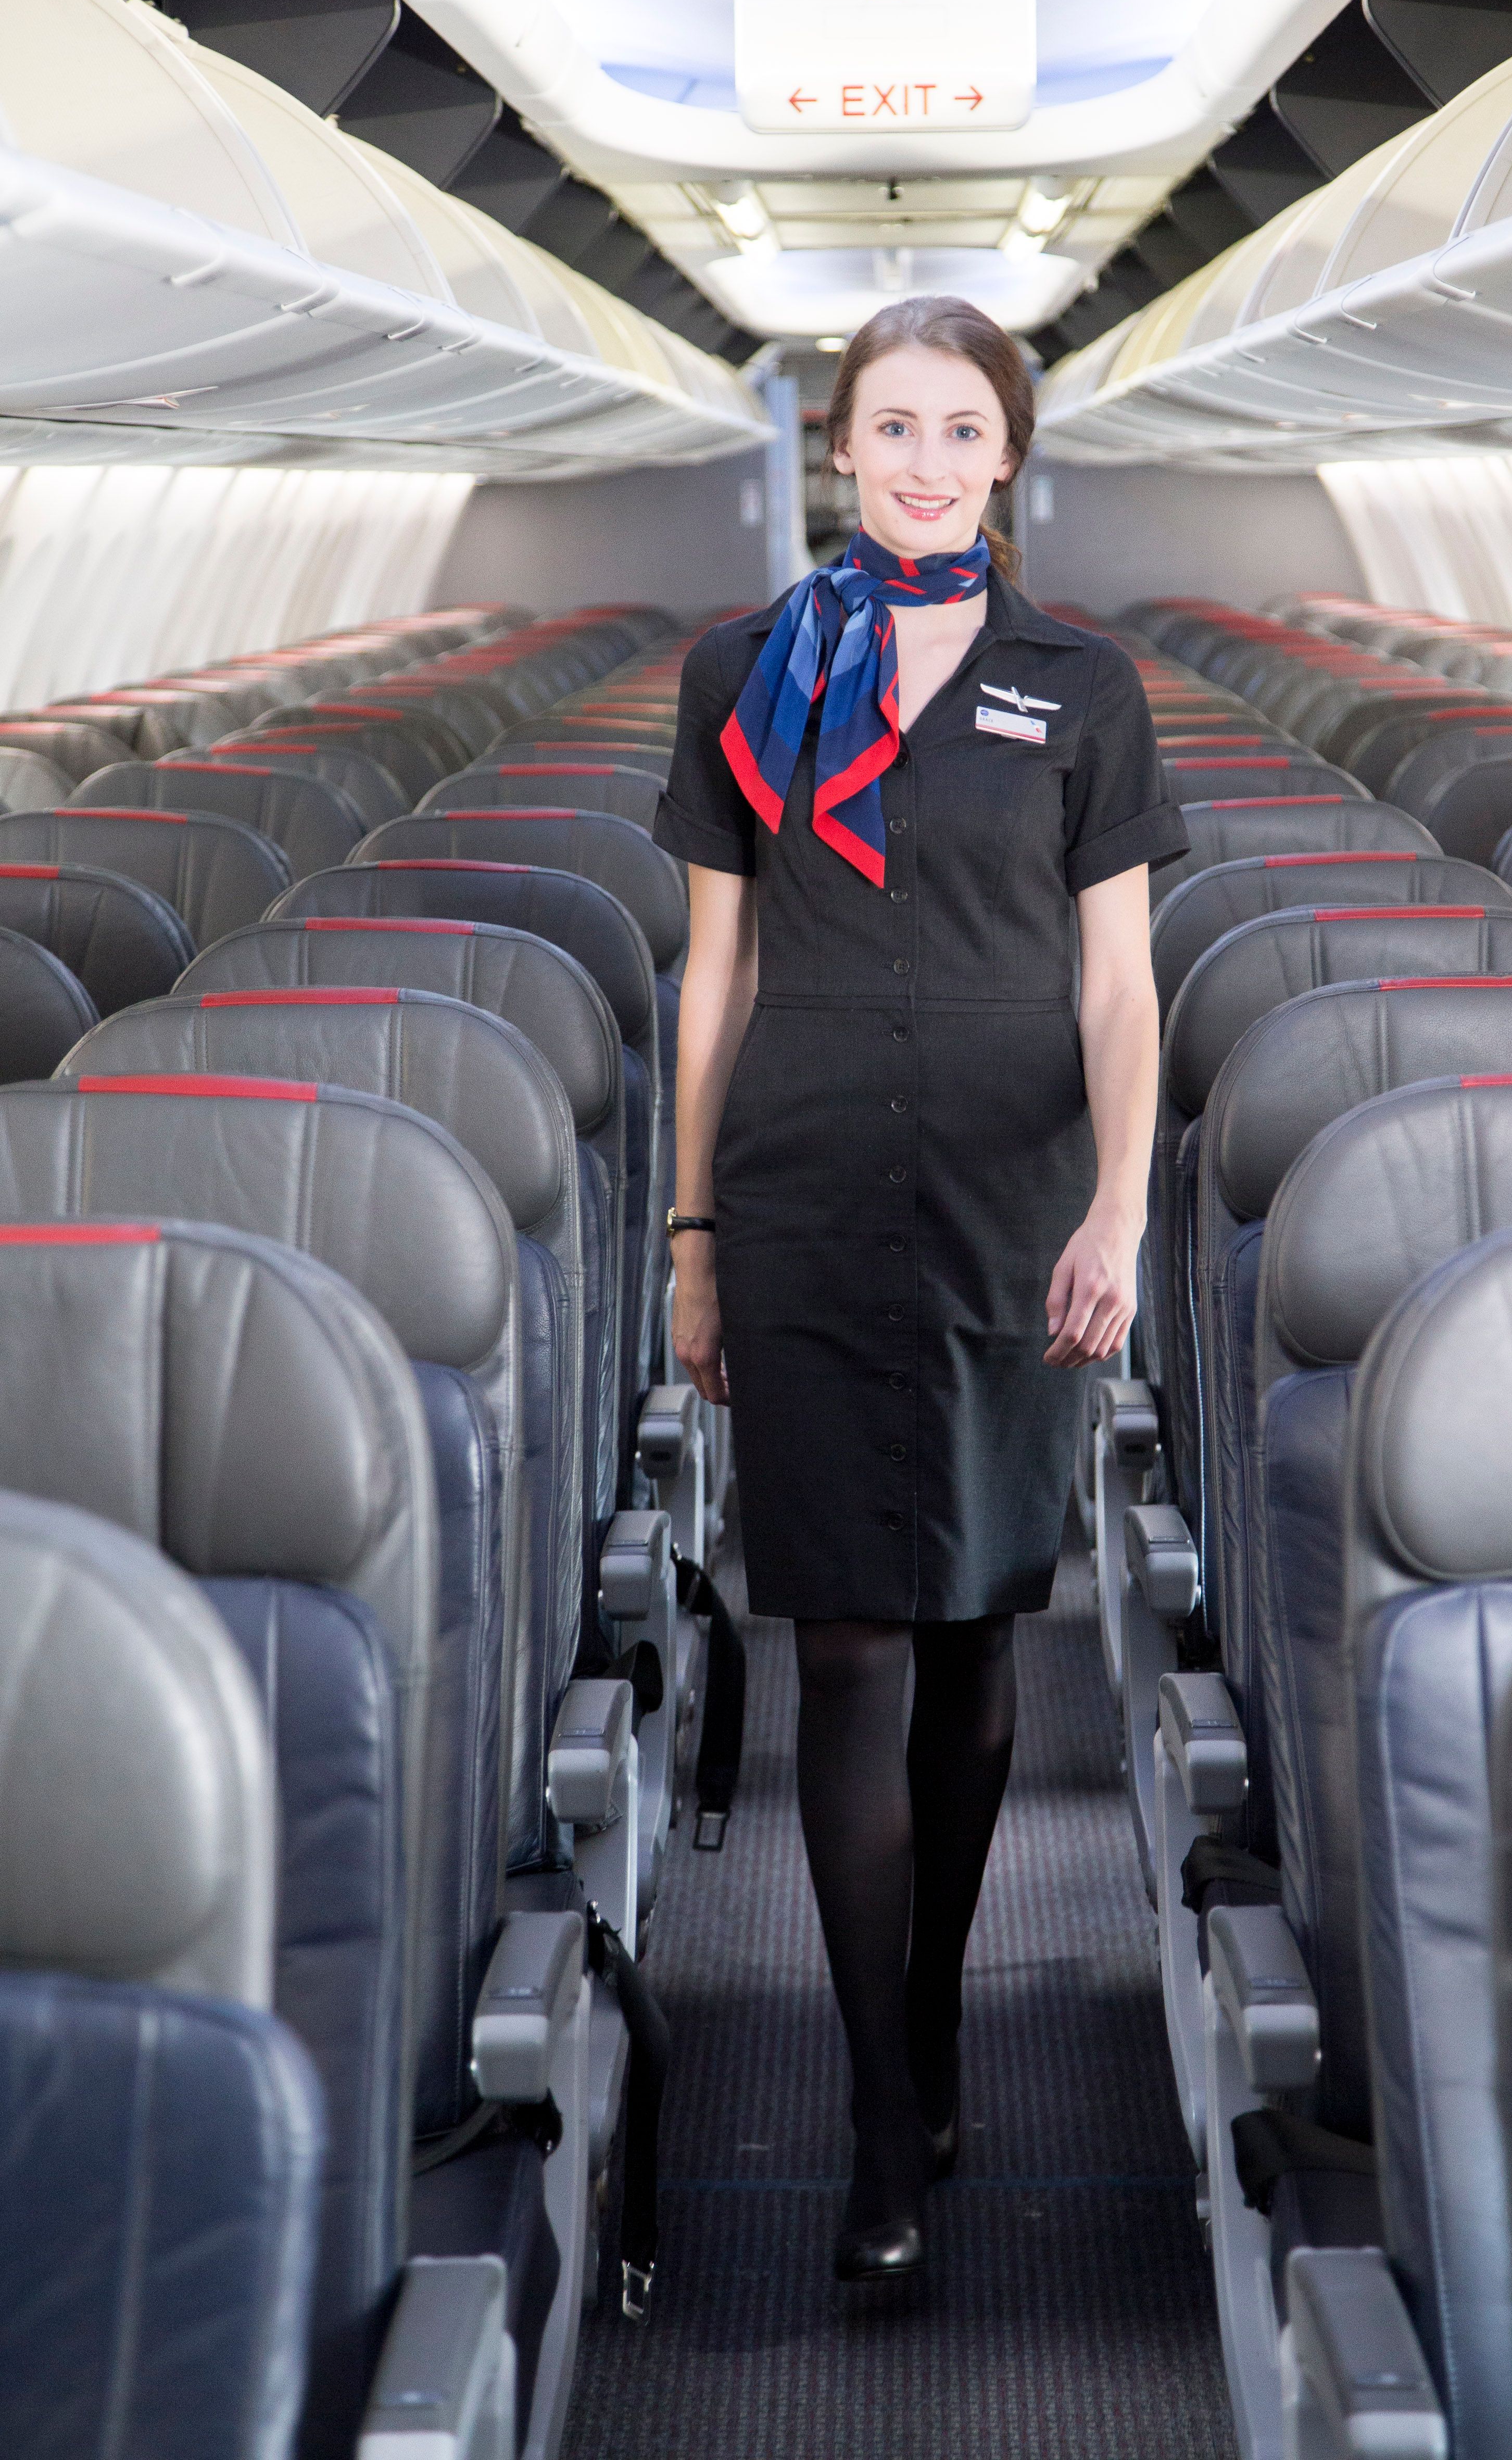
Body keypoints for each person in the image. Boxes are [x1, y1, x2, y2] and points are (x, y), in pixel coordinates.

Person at [654, 294, 1183, 2286]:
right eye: (893, 426)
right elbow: (712, 983)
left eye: (963, 428)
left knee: (974, 1644)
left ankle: (936, 1998)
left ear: (1010, 456)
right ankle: (880, 2109)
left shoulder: (1083, 684)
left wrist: (1121, 1213)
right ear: (840, 448)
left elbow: (1116, 985)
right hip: (798, 1193)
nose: (926, 460)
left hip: (1007, 1199)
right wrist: (692, 1234)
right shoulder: (743, 670)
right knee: (850, 1652)